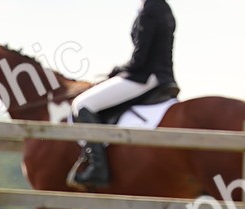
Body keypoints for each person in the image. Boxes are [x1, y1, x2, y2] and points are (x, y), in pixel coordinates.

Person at [69, 0, 177, 188]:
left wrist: (116, 71)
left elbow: (139, 59)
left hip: (144, 77)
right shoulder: (161, 6)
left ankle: (97, 168)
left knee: (82, 104)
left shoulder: (150, 8)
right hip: (160, 75)